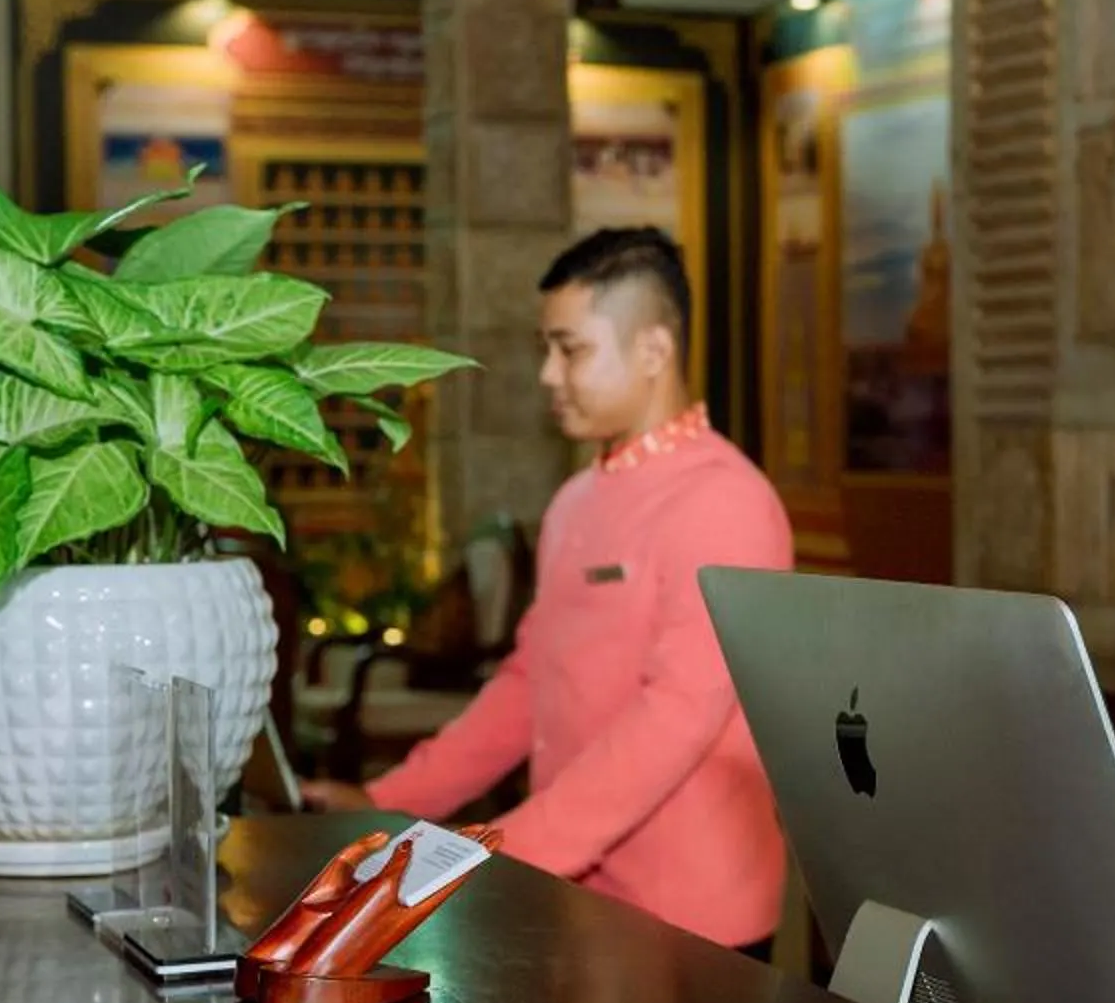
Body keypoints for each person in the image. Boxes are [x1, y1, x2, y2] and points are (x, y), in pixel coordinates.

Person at [304, 227, 794, 954]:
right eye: (547, 349)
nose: (548, 375)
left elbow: (676, 719)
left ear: (654, 351)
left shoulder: (727, 502)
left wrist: (508, 854)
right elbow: (527, 684)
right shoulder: (576, 500)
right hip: (579, 903)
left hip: (690, 924)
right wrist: (391, 803)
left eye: (571, 350)